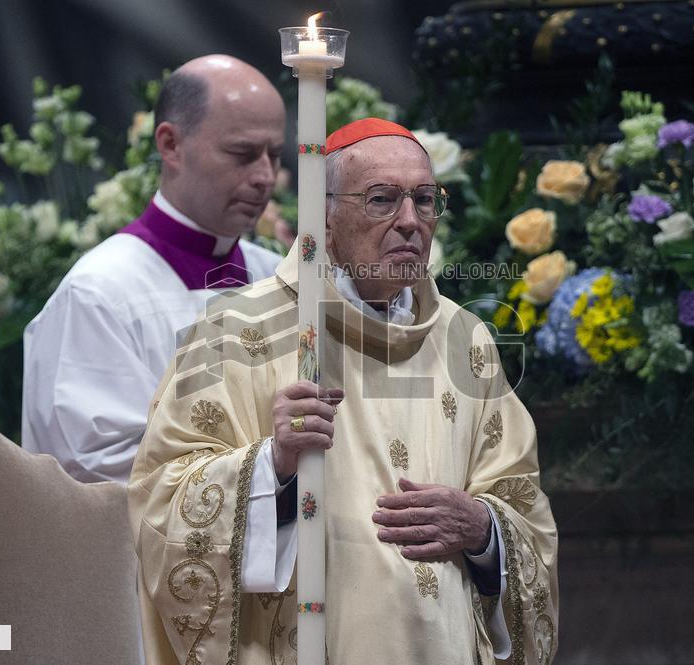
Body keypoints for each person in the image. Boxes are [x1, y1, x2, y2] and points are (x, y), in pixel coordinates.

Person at [128, 118, 559, 664]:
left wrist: (483, 530)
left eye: (425, 200)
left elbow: (523, 507)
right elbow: (161, 497)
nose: (410, 222)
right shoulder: (235, 330)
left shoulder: (466, 340)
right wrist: (272, 465)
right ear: (324, 217)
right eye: (382, 200)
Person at [22, 55, 286, 483]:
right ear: (170, 145)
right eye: (242, 153)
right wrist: (270, 468)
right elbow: (93, 468)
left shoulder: (281, 278)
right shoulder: (99, 294)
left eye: (273, 156)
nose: (264, 177)